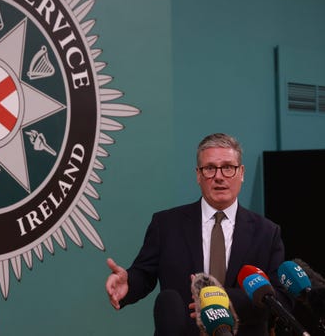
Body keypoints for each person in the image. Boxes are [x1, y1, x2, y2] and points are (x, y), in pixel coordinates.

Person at [105, 133, 294, 336]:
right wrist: (129, 283)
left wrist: (223, 301)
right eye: (210, 168)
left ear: (242, 173)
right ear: (198, 175)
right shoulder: (166, 224)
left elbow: (279, 299)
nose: (219, 176)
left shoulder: (266, 232)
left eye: (228, 167)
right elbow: (144, 273)